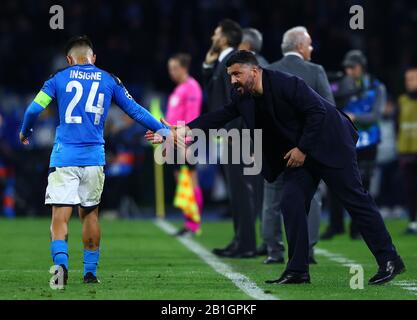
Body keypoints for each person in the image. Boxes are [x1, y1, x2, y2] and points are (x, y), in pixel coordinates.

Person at [148, 50, 405, 285]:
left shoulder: (286, 83)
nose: (233, 80)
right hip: (301, 154)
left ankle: (390, 260)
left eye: (237, 74)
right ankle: (297, 270)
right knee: (291, 202)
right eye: (230, 76)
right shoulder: (242, 97)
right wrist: (179, 131)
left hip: (330, 143)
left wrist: (303, 149)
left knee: (355, 201)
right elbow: (219, 117)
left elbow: (318, 112)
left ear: (255, 71)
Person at [19, 35, 167, 286]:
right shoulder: (109, 80)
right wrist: (163, 130)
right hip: (94, 160)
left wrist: (26, 130)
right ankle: (90, 273)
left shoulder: (57, 79)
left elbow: (34, 109)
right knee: (89, 216)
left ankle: (60, 271)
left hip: (64, 158)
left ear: (68, 60)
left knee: (60, 217)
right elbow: (135, 110)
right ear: (93, 58)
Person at [262, 26, 334, 264]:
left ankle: (274, 251)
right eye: (310, 44)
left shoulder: (268, 71)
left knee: (272, 199)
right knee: (310, 199)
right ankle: (307, 251)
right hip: (307, 148)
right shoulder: (315, 71)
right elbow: (328, 109)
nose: (311, 48)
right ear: (300, 46)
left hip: (274, 148)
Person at [202, 19, 258, 258]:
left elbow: (239, 99)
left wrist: (234, 130)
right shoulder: (223, 61)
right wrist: (207, 63)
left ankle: (247, 244)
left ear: (224, 38)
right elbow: (214, 92)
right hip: (229, 135)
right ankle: (239, 240)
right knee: (235, 192)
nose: (213, 37)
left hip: (236, 136)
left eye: (216, 33)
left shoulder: (233, 62)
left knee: (241, 191)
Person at [321, 50, 386, 240]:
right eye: (347, 67)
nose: (348, 71)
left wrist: (355, 117)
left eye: (352, 67)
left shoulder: (376, 87)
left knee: (363, 187)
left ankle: (357, 229)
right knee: (335, 184)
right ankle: (335, 225)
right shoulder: (340, 85)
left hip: (368, 142)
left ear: (361, 67)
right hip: (345, 141)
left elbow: (376, 115)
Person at [238, 27, 268, 256]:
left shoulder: (254, 70)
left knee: (257, 190)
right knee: (260, 191)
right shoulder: (265, 65)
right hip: (258, 137)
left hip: (256, 139)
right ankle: (264, 240)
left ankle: (263, 241)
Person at [165, 53, 203, 235]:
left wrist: (187, 142)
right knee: (181, 181)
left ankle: (194, 223)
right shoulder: (179, 89)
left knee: (190, 179)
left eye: (174, 68)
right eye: (170, 69)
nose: (171, 72)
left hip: (184, 141)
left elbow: (192, 116)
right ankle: (189, 221)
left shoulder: (192, 88)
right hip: (173, 140)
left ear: (184, 68)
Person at [397, 67, 417, 234]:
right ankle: (412, 222)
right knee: (409, 189)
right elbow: (398, 125)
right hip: (406, 152)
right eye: (407, 79)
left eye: (412, 79)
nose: (409, 82)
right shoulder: (402, 100)